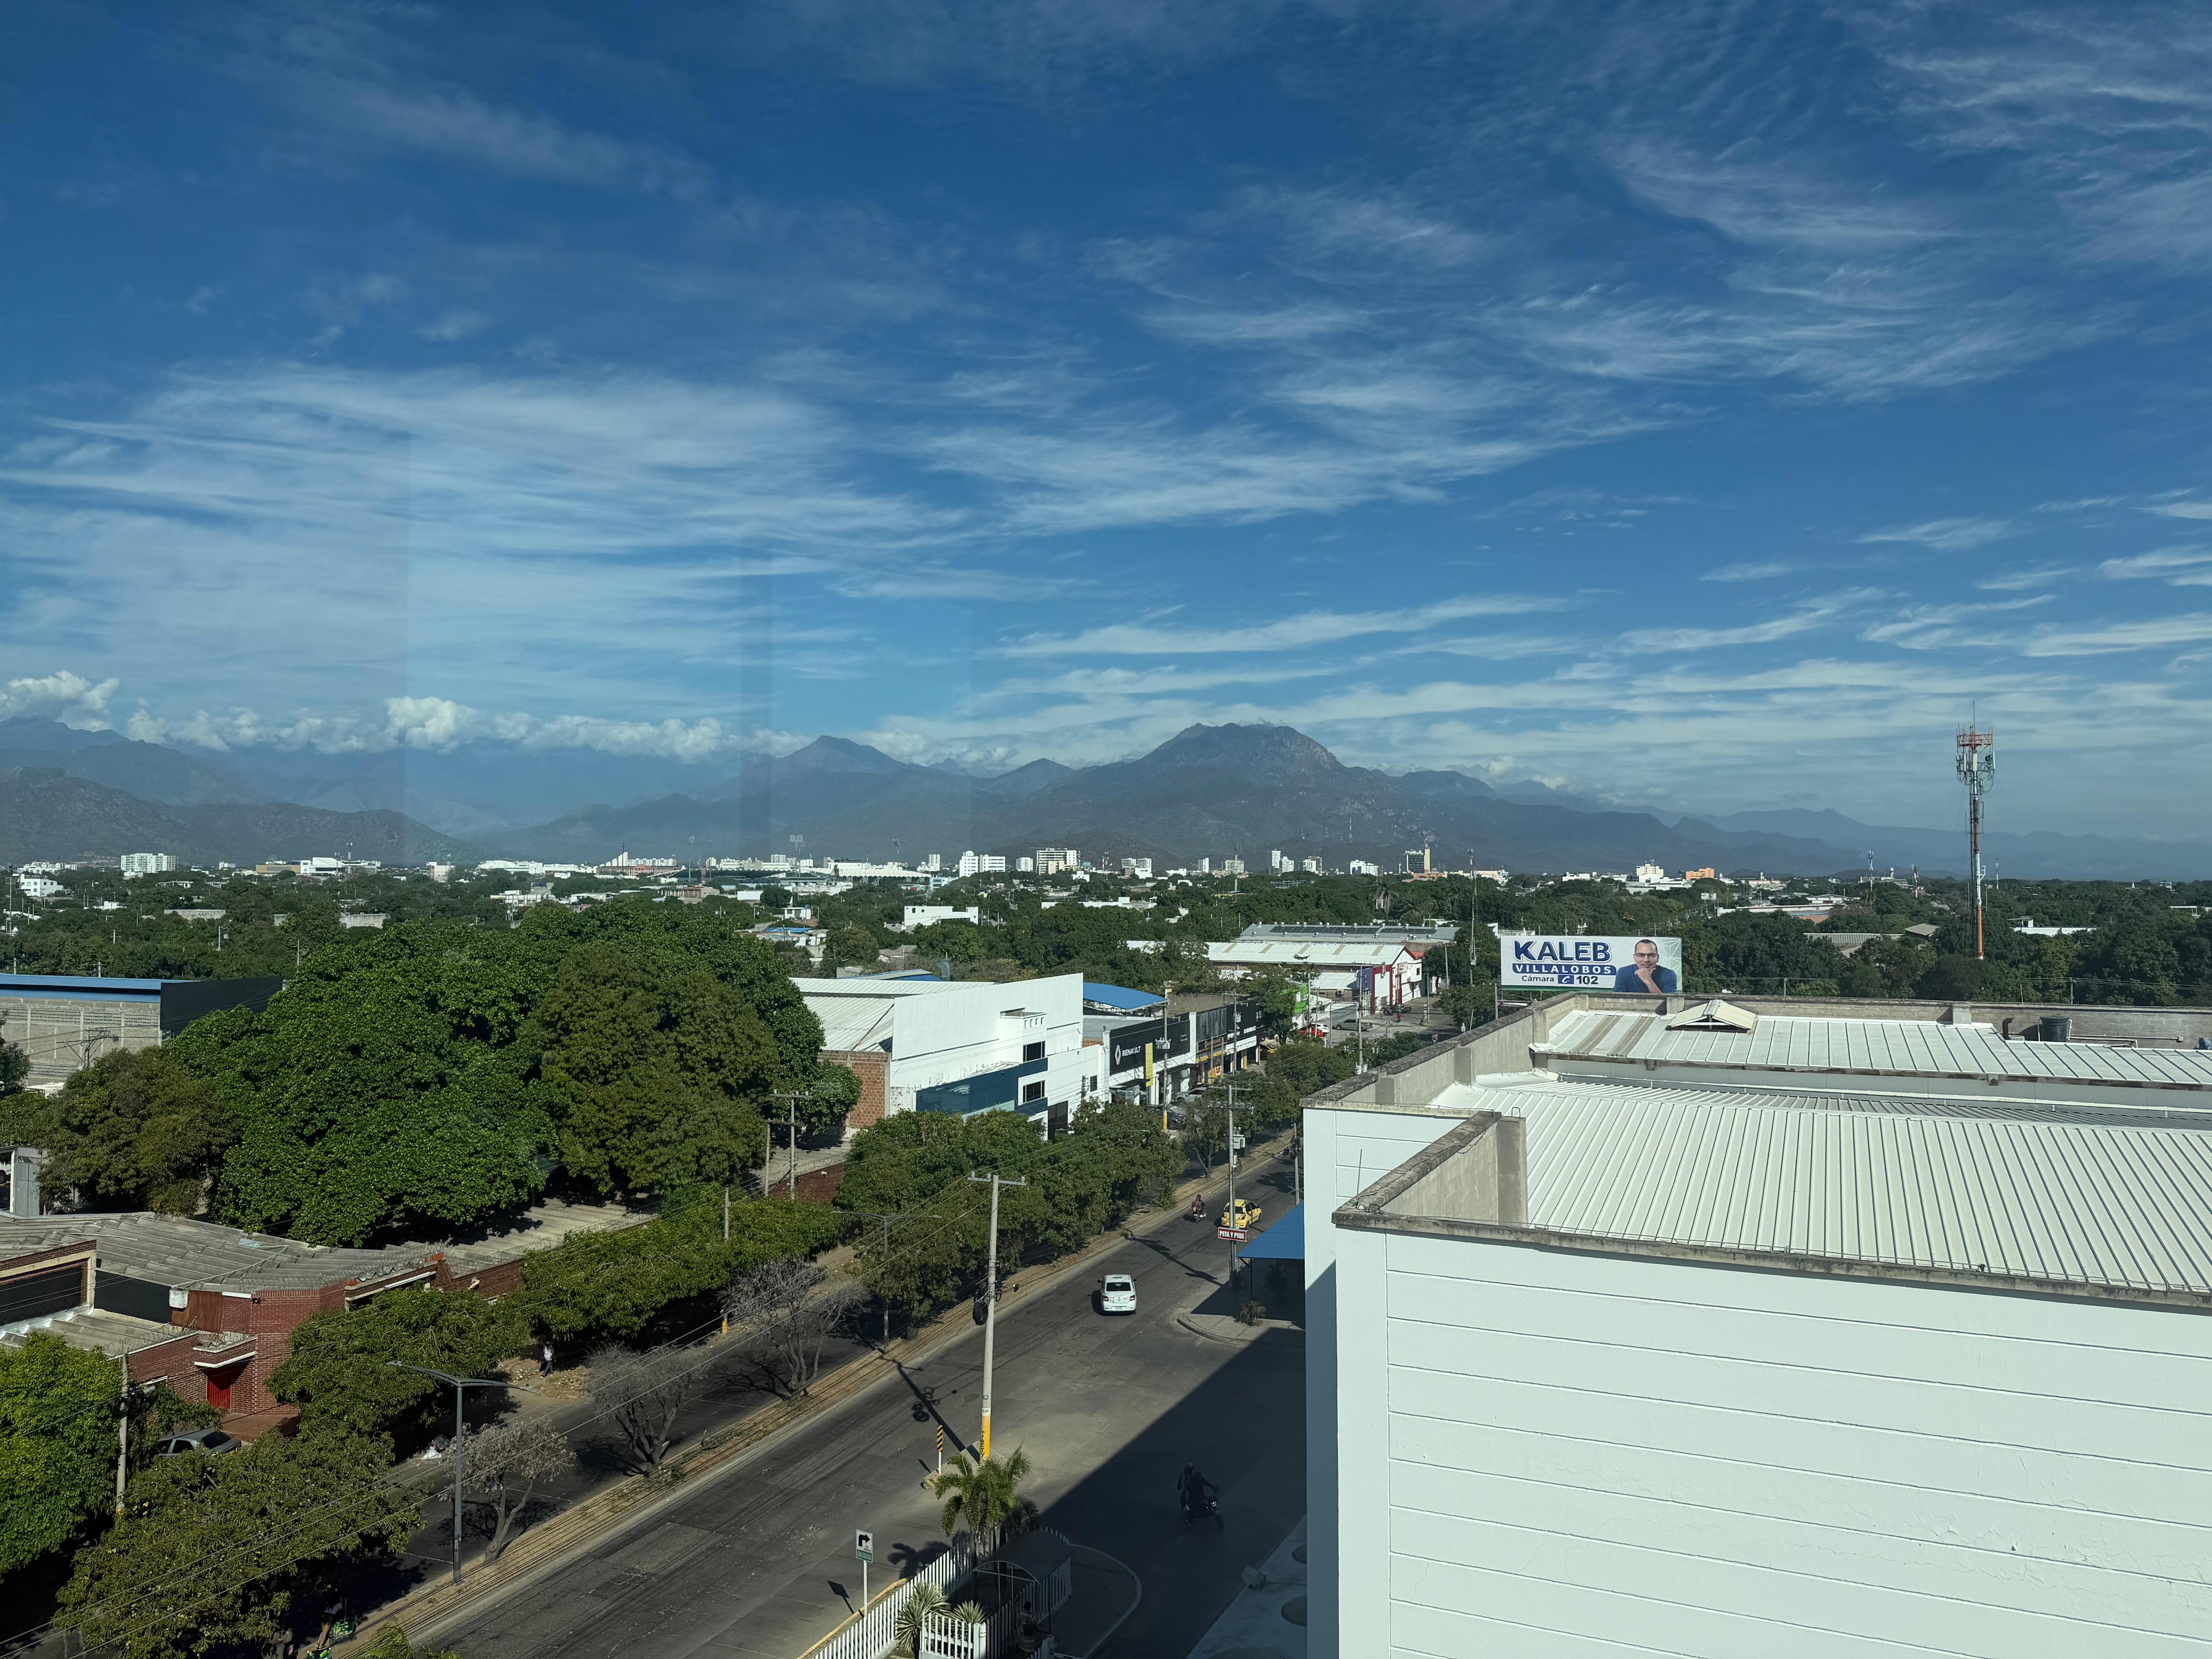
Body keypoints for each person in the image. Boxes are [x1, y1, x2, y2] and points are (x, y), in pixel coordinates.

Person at [1611, 938, 1677, 995]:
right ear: (1635, 957)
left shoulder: (1669, 975)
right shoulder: (1624, 973)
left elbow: (1668, 1003)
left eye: (1652, 955)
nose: (1646, 960)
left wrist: (1649, 981)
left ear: (1658, 958)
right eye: (1641, 955)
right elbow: (1618, 1000)